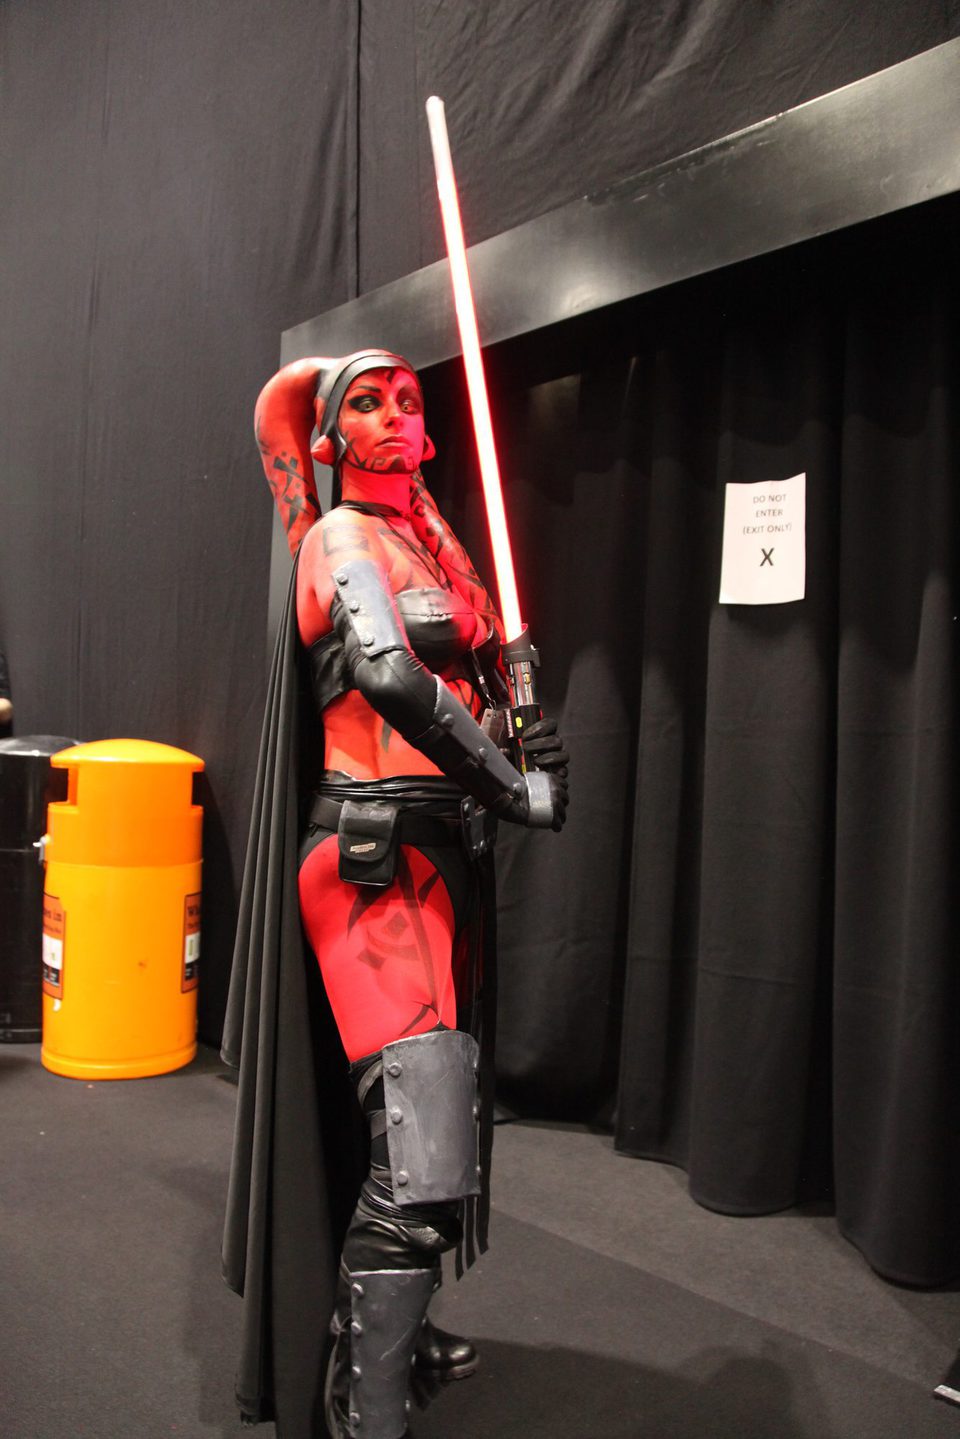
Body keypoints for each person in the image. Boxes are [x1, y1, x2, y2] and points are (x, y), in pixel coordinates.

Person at [222, 350, 568, 1439]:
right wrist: (512, 781)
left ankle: (394, 1334)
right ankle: (362, 1410)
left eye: (407, 399)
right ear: (328, 438)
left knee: (419, 1131)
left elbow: (463, 676)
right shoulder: (341, 538)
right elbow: (386, 672)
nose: (392, 414)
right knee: (423, 1163)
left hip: (437, 855)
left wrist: (520, 711)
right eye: (363, 401)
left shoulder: (439, 544)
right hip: (373, 859)